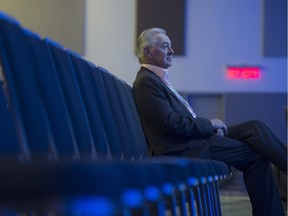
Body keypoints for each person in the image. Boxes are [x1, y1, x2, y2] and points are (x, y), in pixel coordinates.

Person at [132, 27, 287, 216]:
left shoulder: (157, 80)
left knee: (254, 128)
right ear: (147, 52)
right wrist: (209, 124)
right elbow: (170, 123)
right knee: (255, 155)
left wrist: (208, 127)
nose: (172, 51)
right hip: (183, 147)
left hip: (193, 139)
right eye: (165, 47)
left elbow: (178, 120)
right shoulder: (147, 81)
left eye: (170, 46)